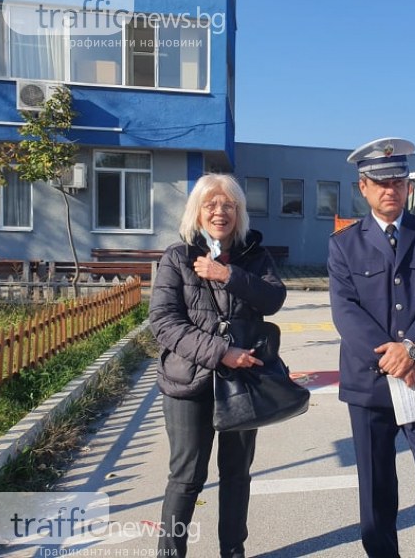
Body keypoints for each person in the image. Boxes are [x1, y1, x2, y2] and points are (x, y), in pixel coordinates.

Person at [327, 137, 415, 558]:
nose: (391, 190)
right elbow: (345, 311)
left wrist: (410, 349)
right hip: (369, 384)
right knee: (376, 490)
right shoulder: (343, 244)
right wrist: (394, 358)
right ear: (363, 187)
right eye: (380, 182)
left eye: (398, 181)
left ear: (408, 186)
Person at [149, 173, 286, 558]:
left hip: (243, 382)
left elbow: (273, 299)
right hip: (188, 382)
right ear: (197, 210)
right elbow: (164, 322)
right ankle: (170, 554)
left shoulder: (254, 256)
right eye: (211, 204)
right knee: (186, 477)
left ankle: (233, 551)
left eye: (228, 204)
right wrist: (220, 352)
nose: (219, 211)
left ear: (238, 212)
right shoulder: (177, 257)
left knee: (236, 475)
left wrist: (229, 275)